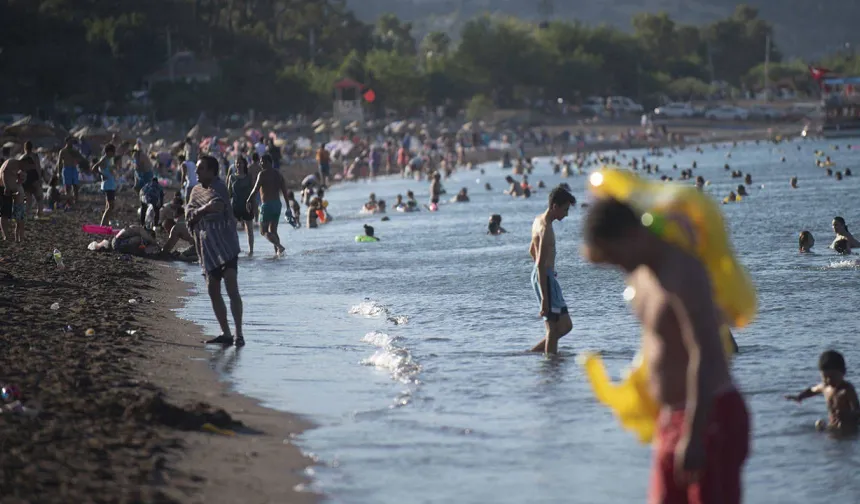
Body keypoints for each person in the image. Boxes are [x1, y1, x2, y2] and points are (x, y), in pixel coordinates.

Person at [582, 197, 749, 504]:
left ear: (631, 234)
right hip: (671, 419)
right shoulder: (640, 274)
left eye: (614, 256)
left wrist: (695, 434)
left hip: (710, 417)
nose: (616, 266)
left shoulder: (682, 271)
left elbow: (707, 352)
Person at [187, 155, 244, 346]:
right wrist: (204, 210)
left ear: (212, 171)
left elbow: (219, 207)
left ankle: (239, 333)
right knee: (213, 289)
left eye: (201, 168)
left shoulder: (219, 187)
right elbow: (190, 215)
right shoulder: (194, 191)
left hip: (226, 244)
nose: (196, 172)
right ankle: (226, 333)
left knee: (231, 286)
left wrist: (205, 211)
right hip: (208, 247)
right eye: (197, 168)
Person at [528, 186, 577, 354]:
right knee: (553, 329)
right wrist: (545, 299)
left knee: (565, 325)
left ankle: (533, 354)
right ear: (555, 206)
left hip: (544, 276)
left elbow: (531, 251)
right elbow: (541, 264)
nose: (566, 214)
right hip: (545, 277)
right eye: (565, 210)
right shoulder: (546, 228)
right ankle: (551, 366)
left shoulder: (537, 220)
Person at [785, 350, 860, 434]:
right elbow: (812, 390)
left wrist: (848, 415)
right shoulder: (825, 387)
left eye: (832, 376)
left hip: (848, 427)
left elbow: (857, 410)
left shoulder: (847, 390)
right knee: (819, 425)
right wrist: (799, 397)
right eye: (825, 377)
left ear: (843, 373)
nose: (828, 380)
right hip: (833, 425)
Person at [247, 153, 289, 256]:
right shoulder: (278, 174)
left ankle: (279, 246)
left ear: (269, 162)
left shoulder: (262, 174)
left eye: (262, 161)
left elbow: (255, 189)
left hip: (267, 206)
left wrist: (248, 200)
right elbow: (284, 191)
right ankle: (278, 254)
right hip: (277, 205)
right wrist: (288, 206)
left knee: (263, 231)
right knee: (273, 231)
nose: (261, 164)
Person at [227, 156, 254, 256]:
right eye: (237, 163)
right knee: (232, 231)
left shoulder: (249, 176)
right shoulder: (231, 177)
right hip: (235, 207)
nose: (238, 165)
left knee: (250, 230)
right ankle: (234, 249)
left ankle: (251, 251)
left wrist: (253, 206)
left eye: (240, 163)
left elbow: (253, 192)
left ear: (244, 164)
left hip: (247, 206)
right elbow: (228, 194)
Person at [0, 158, 25, 241]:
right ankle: (8, 236)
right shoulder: (13, 163)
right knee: (5, 214)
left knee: (20, 223)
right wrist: (7, 188)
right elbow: (4, 172)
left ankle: (18, 238)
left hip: (19, 205)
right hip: (4, 190)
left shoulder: (19, 184)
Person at [93, 144, 118, 227]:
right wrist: (101, 175)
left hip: (110, 184)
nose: (114, 153)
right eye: (113, 152)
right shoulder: (104, 159)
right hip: (108, 185)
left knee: (108, 205)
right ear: (109, 152)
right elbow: (94, 168)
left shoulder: (108, 159)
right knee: (111, 206)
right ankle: (102, 224)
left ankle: (106, 224)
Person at [19, 141, 45, 219]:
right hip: (34, 178)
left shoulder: (21, 157)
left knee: (28, 198)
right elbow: (38, 168)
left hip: (26, 180)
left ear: (24, 148)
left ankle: (28, 214)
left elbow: (20, 171)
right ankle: (39, 213)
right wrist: (39, 179)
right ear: (32, 148)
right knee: (39, 197)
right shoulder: (35, 156)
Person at [57, 136, 84, 204]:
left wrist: (77, 160)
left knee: (75, 186)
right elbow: (59, 163)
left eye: (72, 141)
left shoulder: (75, 151)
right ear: (67, 142)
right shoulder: (63, 151)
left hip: (74, 169)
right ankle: (69, 202)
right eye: (70, 141)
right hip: (66, 169)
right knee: (67, 187)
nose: (71, 143)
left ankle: (76, 200)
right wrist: (58, 173)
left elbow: (81, 159)